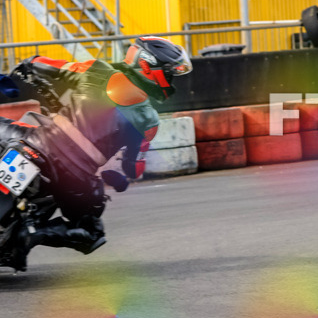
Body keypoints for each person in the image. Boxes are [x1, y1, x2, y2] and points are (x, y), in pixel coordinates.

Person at [3, 36, 192, 265]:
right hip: (74, 181)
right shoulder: (149, 121)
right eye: (170, 73)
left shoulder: (97, 70)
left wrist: (26, 68)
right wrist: (120, 177)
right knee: (91, 233)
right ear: (147, 66)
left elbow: (41, 64)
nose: (172, 80)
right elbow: (133, 168)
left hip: (36, 145)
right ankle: (34, 233)